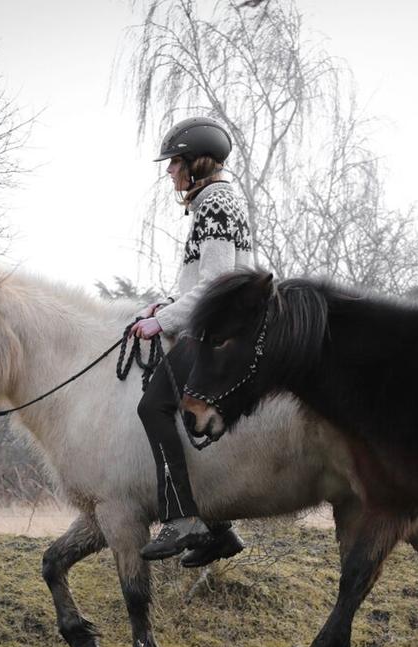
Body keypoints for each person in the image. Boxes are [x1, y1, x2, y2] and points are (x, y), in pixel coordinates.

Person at [132, 116, 252, 566]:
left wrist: (161, 325)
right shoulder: (211, 202)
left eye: (174, 163)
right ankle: (220, 531)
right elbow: (195, 282)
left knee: (152, 406)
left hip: (214, 331)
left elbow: (217, 284)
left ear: (195, 164)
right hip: (206, 322)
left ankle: (182, 520)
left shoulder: (216, 203)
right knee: (173, 411)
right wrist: (160, 307)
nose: (169, 172)